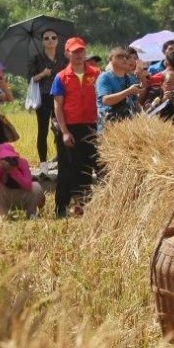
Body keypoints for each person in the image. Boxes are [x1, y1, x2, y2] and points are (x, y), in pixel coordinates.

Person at [51, 37, 102, 217]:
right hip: (70, 127)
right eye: (75, 52)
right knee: (66, 168)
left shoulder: (96, 73)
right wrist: (64, 131)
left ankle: (84, 207)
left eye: (81, 51)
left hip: (91, 126)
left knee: (87, 166)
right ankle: (61, 207)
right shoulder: (61, 77)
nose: (79, 55)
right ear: (67, 53)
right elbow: (58, 105)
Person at [27, 28, 65, 163]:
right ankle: (43, 164)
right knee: (42, 131)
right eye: (46, 38)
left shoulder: (63, 58)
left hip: (59, 98)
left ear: (57, 41)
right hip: (43, 97)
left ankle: (61, 159)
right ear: (42, 42)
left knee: (60, 128)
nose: (50, 40)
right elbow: (30, 79)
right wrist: (42, 74)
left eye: (53, 38)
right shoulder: (36, 59)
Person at [0, 140, 41, 217]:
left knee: (36, 187)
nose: (7, 160)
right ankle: (3, 215)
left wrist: (13, 171)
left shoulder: (22, 162)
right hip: (5, 197)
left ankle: (31, 213)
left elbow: (28, 185)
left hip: (21, 195)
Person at [96, 45, 145, 125]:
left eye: (125, 57)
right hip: (109, 125)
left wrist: (143, 116)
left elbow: (134, 102)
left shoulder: (129, 78)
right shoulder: (105, 77)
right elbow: (106, 100)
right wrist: (129, 91)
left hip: (126, 125)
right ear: (111, 60)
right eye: (119, 57)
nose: (124, 59)